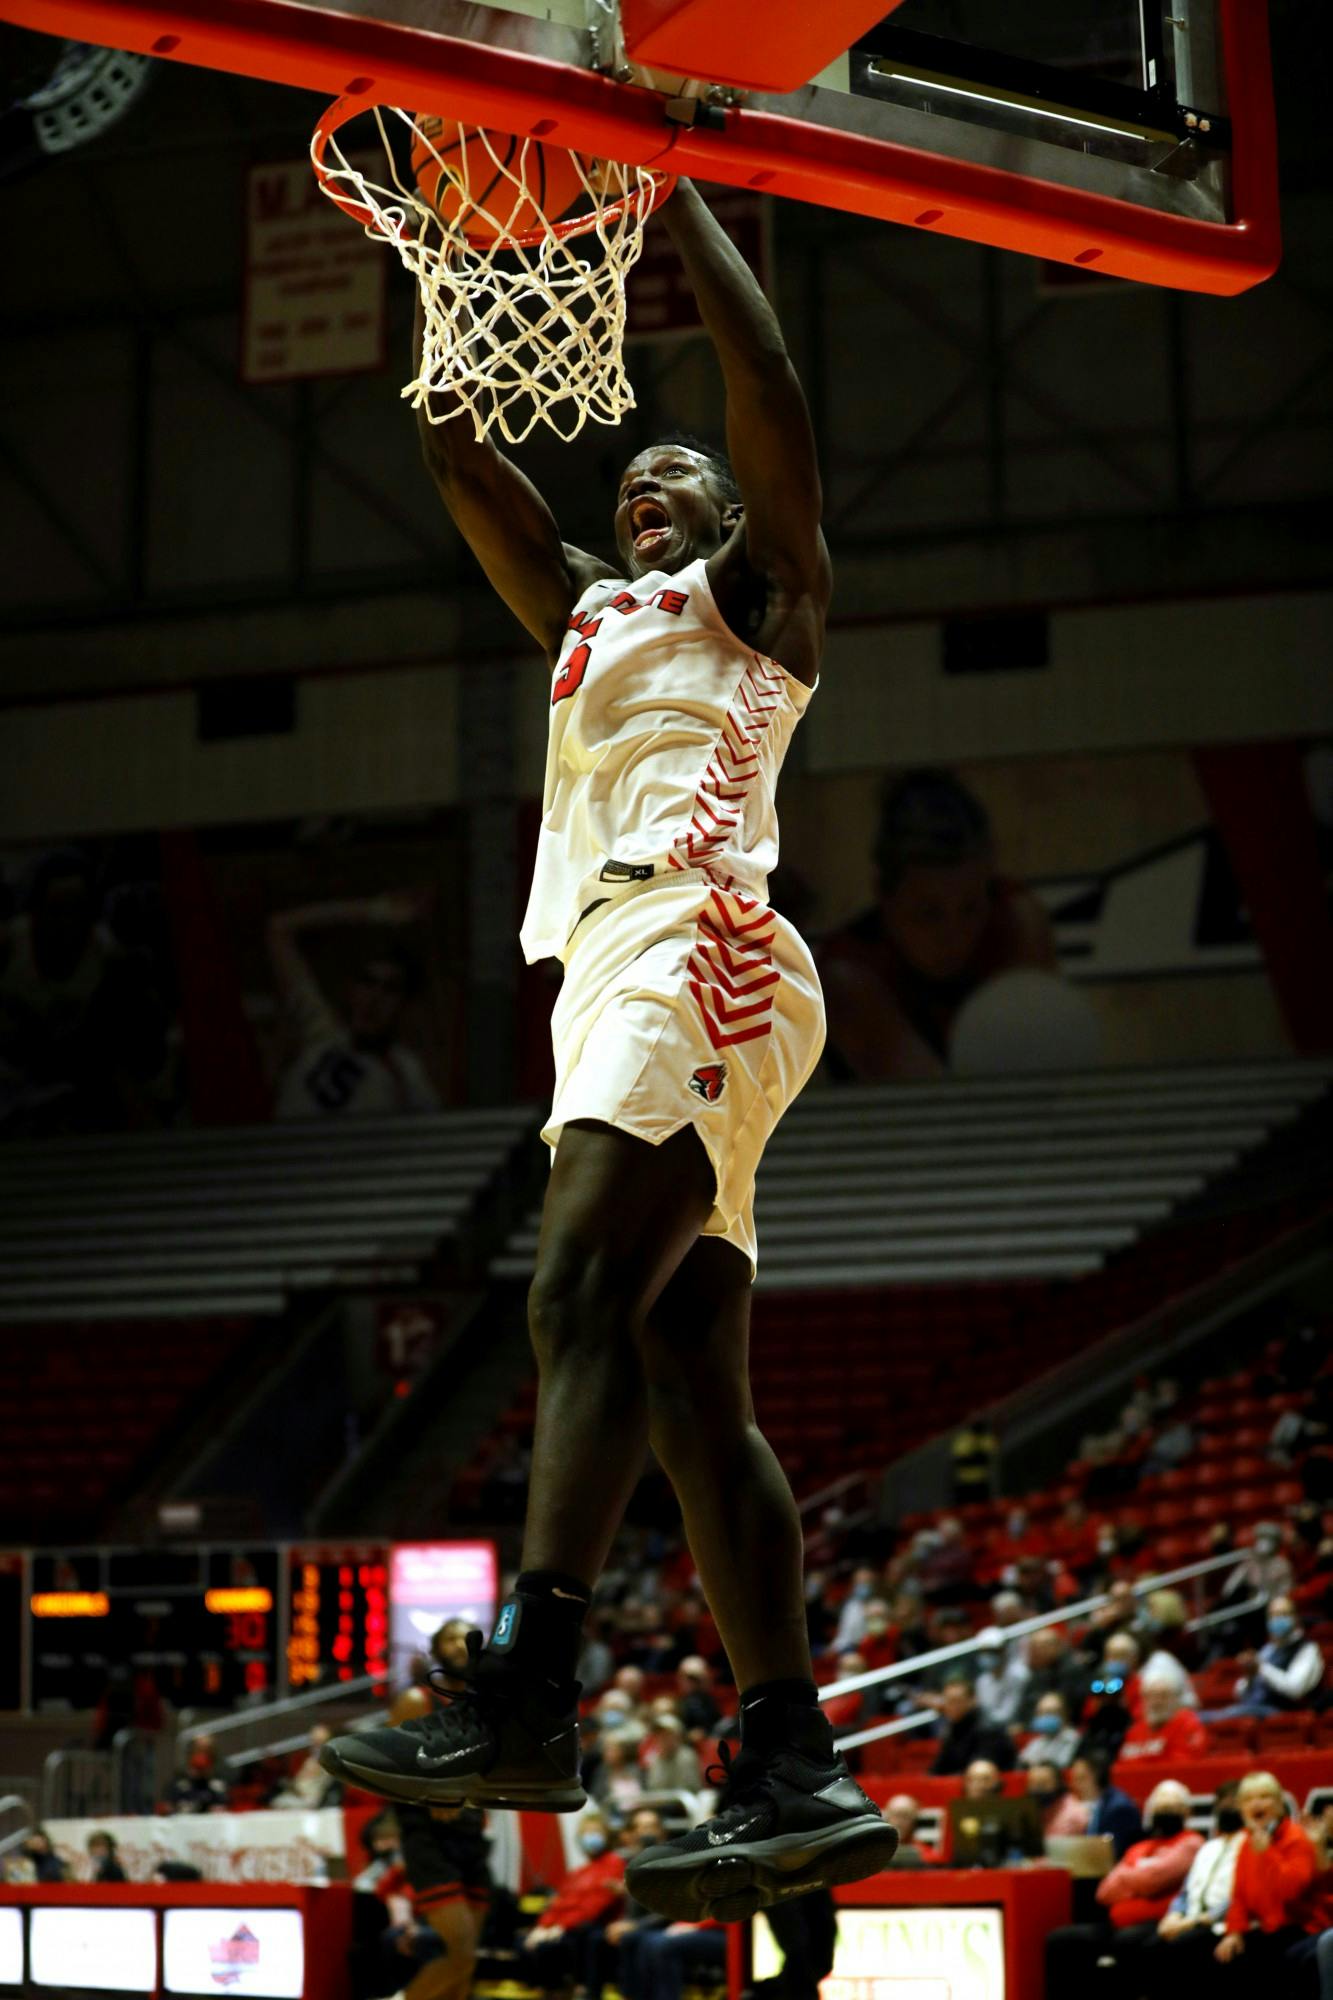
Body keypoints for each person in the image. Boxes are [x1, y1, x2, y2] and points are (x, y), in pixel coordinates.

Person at [321, 177, 896, 1926]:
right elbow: (452, 462)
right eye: (629, 481)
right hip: (621, 972)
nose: (649, 487)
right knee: (678, 1385)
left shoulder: (759, 598)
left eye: (681, 482)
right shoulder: (589, 626)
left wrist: (667, 189)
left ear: (732, 522)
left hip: (696, 938)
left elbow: (770, 375)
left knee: (567, 1302)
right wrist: (443, 297)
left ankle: (526, 1696)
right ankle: (786, 1764)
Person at [817, 769, 1059, 1082]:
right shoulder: (849, 974)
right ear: (884, 897)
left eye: (971, 909)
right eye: (929, 913)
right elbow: (934, 1104)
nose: (954, 935)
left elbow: (1044, 1077)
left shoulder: (1017, 920)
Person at [267, 892, 441, 1119]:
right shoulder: (321, 1032)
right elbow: (279, 929)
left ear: (403, 1004)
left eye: (390, 989)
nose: (375, 998)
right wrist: (377, 911)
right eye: (368, 982)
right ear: (351, 990)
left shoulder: (406, 1072)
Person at [1043, 1779, 1201, 1996]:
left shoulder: (1191, 1843)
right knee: (1060, 1939)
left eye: (1172, 1807)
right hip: (1116, 1923)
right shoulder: (1140, 1846)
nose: (1165, 1812)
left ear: (1186, 1812)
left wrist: (1127, 1876)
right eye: (1161, 1807)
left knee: (1126, 1941)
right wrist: (1139, 1879)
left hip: (1158, 1922)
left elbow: (1154, 1881)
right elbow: (1105, 1892)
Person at [1214, 1769, 1331, 1984]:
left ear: (1279, 1803)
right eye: (1249, 1799)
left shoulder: (1295, 1838)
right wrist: (1234, 1932)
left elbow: (1291, 1892)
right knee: (1223, 1955)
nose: (1257, 1803)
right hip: (1269, 1928)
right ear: (1242, 1808)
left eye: (1264, 1797)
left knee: (1270, 1960)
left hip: (1301, 1925)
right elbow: (1238, 1896)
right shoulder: (1247, 1842)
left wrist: (1267, 1853)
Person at [1135, 1784, 1246, 1995]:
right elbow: (1186, 1891)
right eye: (1221, 1802)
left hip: (1217, 1923)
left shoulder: (1249, 1845)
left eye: (1232, 1802)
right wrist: (1173, 1915)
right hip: (1189, 1920)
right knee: (1149, 1946)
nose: (1226, 1807)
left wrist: (1193, 1922)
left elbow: (1238, 1896)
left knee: (1180, 1948)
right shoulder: (1208, 1847)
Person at [1204, 1595, 1326, 1719]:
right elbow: (1240, 1694)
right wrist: (1250, 1676)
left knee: (1226, 1716)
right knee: (1201, 1717)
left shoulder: (1307, 1649)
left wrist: (1261, 1668)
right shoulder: (1268, 1650)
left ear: (1296, 1618)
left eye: (1283, 1614)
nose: (1277, 1619)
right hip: (1253, 1709)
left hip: (1282, 1712)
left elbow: (1295, 1689)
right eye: (1273, 1615)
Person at [929, 1676, 1018, 1776]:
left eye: (956, 1701)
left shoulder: (988, 1728)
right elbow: (939, 1768)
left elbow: (980, 1770)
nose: (951, 1706)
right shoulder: (953, 1728)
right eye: (948, 1701)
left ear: (973, 1701)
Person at [1067, 1750, 1143, 1862]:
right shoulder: (1096, 1804)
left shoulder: (1119, 1808)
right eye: (1074, 1780)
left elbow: (1112, 1853)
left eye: (1081, 1778)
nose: (1075, 1785)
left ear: (1097, 1776)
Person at [1120, 1671, 1210, 1761]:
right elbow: (1124, 1765)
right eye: (1150, 1696)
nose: (1156, 1702)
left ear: (1176, 1699)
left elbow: (1184, 1765)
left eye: (1163, 1696)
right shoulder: (1135, 1731)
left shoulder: (1189, 1726)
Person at [1019, 1691, 1082, 1771]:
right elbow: (1023, 1763)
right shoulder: (1037, 1741)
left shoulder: (1072, 1738)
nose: (1044, 1717)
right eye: (1040, 1713)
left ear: (1064, 1714)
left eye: (1049, 1712)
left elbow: (1062, 1765)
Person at [1027, 1760, 1090, 1839]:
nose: (1038, 1789)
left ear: (1059, 1783)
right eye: (1033, 1784)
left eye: (1043, 1783)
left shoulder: (1075, 1814)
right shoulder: (1033, 1811)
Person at [883, 1794, 930, 1869]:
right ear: (887, 1817)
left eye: (905, 1816)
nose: (899, 1822)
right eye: (896, 1815)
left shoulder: (925, 1853)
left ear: (914, 1820)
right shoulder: (877, 1850)